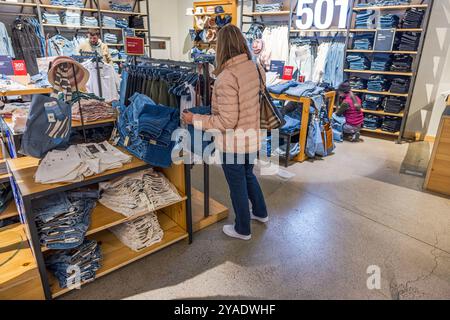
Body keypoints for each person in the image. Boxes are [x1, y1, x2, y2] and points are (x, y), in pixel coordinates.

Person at [182, 24, 268, 241]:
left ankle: (243, 229)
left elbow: (227, 121)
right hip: (252, 137)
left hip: (233, 143)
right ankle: (260, 212)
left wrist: (195, 119)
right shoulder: (255, 67)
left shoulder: (226, 77)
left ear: (221, 47)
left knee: (237, 184)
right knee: (248, 175)